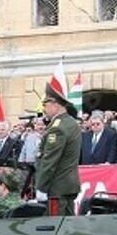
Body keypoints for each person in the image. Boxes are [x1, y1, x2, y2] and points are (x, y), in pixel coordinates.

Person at [34, 83, 81, 216]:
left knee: (54, 228)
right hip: (67, 185)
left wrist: (41, 187)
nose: (44, 109)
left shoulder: (57, 127)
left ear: (55, 105)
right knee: (67, 226)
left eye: (46, 105)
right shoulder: (71, 123)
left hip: (56, 187)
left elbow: (50, 160)